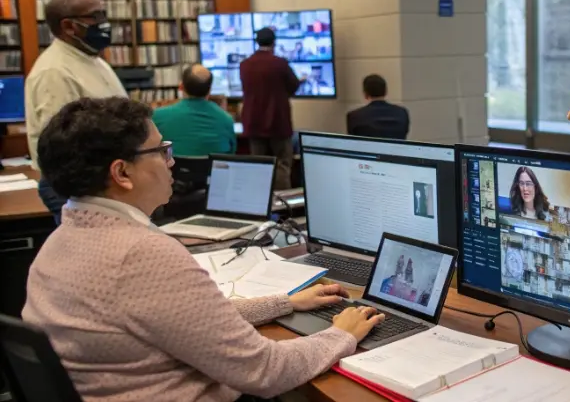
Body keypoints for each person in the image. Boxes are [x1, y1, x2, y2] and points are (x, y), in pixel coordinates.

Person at [23, 97, 384, 401]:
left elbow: (187, 319)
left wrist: (285, 303)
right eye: (162, 150)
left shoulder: (62, 240)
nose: (172, 162)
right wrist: (342, 333)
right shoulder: (141, 254)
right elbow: (265, 370)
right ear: (122, 173)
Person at [24, 0, 127, 224]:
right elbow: (65, 145)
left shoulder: (93, 60)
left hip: (105, 186)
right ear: (69, 26)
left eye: (104, 14)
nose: (104, 23)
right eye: (96, 16)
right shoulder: (55, 72)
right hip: (81, 191)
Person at [240, 27, 301, 190]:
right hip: (278, 122)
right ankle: (282, 205)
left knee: (260, 166)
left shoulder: (245, 65)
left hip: (253, 123)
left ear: (256, 42)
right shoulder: (280, 64)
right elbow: (293, 86)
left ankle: (261, 203)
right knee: (282, 164)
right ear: (274, 42)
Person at [152, 64, 236, 156]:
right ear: (209, 90)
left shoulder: (157, 116)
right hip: (212, 170)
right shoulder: (226, 119)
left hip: (173, 169)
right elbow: (231, 153)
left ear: (181, 87)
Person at [347, 74, 410, 139]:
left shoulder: (355, 116)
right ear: (385, 92)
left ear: (365, 94)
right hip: (396, 149)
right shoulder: (402, 113)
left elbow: (353, 142)